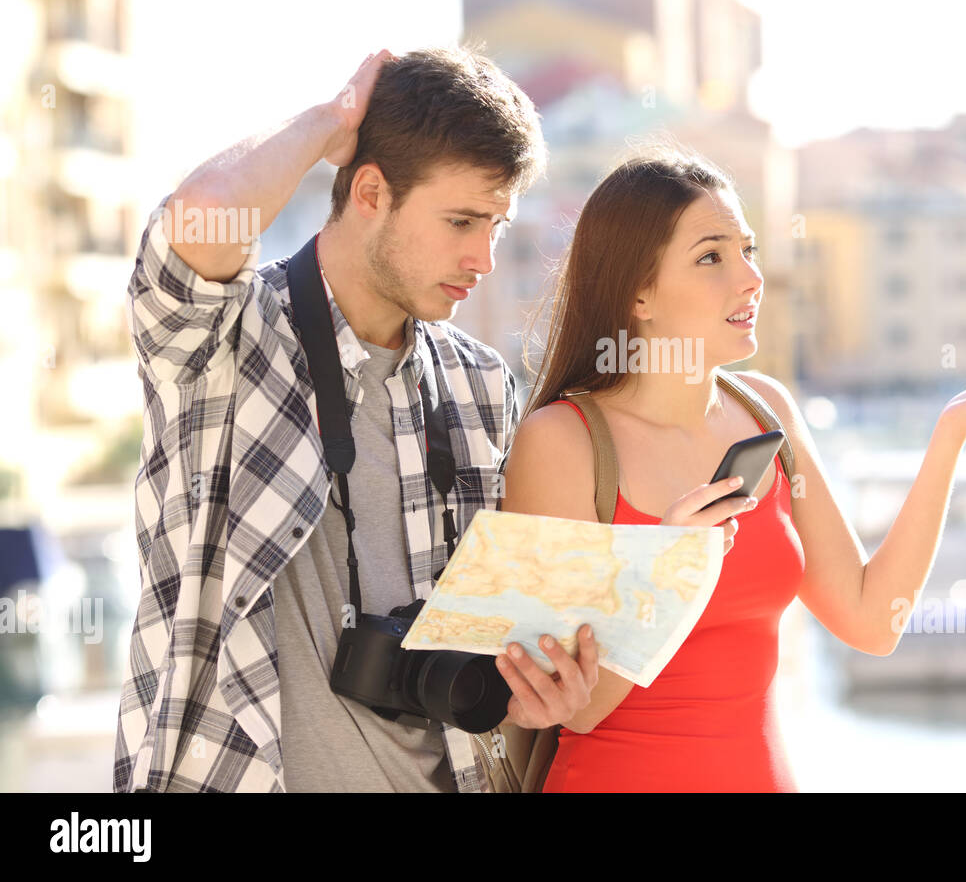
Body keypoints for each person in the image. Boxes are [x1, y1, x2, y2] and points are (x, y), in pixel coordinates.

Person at [502, 149, 966, 791]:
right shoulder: (559, 442)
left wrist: (950, 437)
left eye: (747, 250)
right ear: (638, 291)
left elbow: (872, 621)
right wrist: (669, 573)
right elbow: (572, 706)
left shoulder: (767, 412)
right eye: (711, 256)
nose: (750, 277)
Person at [114, 47, 601, 793]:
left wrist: (542, 694)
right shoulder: (227, 342)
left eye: (497, 226)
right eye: (462, 220)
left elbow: (499, 629)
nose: (484, 257)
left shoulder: (480, 387)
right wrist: (331, 122)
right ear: (370, 190)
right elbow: (203, 218)